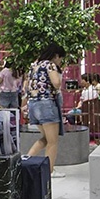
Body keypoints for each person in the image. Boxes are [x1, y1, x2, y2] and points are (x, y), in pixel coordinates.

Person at [24, 42, 65, 175]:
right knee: (53, 142)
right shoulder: (50, 65)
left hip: (33, 105)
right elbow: (56, 83)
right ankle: (49, 171)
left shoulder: (34, 65)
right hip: (46, 104)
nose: (60, 61)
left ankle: (25, 161)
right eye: (60, 58)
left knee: (46, 138)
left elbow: (26, 86)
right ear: (56, 56)